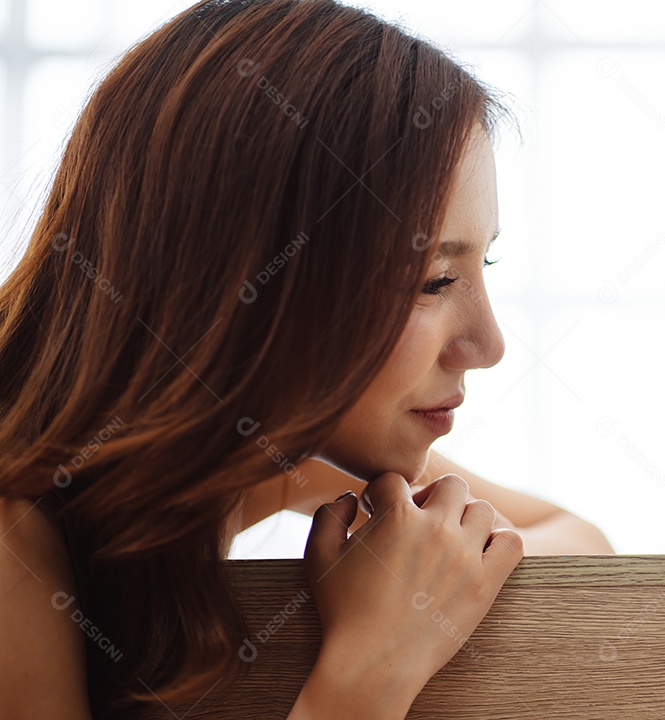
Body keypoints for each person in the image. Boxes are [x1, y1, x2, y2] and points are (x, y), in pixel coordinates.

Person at [0, 1, 613, 718]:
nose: (489, 346)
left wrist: (429, 566)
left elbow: (578, 542)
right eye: (434, 282)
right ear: (246, 285)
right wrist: (368, 671)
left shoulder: (270, 456)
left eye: (485, 263)